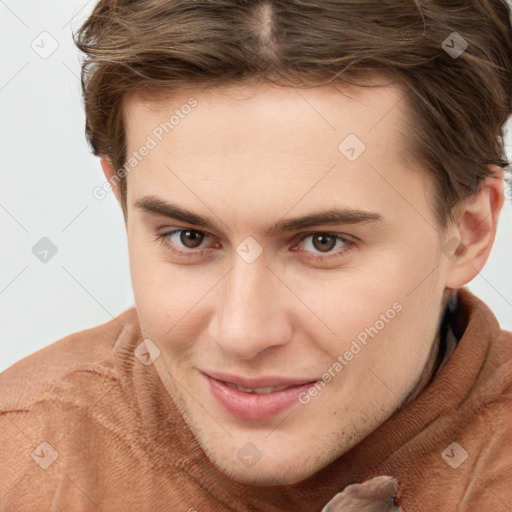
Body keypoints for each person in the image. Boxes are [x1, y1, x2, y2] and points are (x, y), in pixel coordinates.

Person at [2, 1, 512, 510]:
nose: (242, 335)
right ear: (122, 201)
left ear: (466, 233)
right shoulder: (20, 461)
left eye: (322, 242)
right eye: (189, 237)